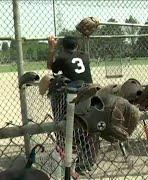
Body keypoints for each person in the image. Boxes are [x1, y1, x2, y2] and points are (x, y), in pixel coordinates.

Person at [47, 35, 98, 175]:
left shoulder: (62, 57)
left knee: (74, 125)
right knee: (85, 126)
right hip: (90, 92)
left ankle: (66, 146)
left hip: (76, 95)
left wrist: (52, 49)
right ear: (77, 47)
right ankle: (85, 159)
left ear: (63, 47)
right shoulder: (85, 55)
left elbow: (50, 67)